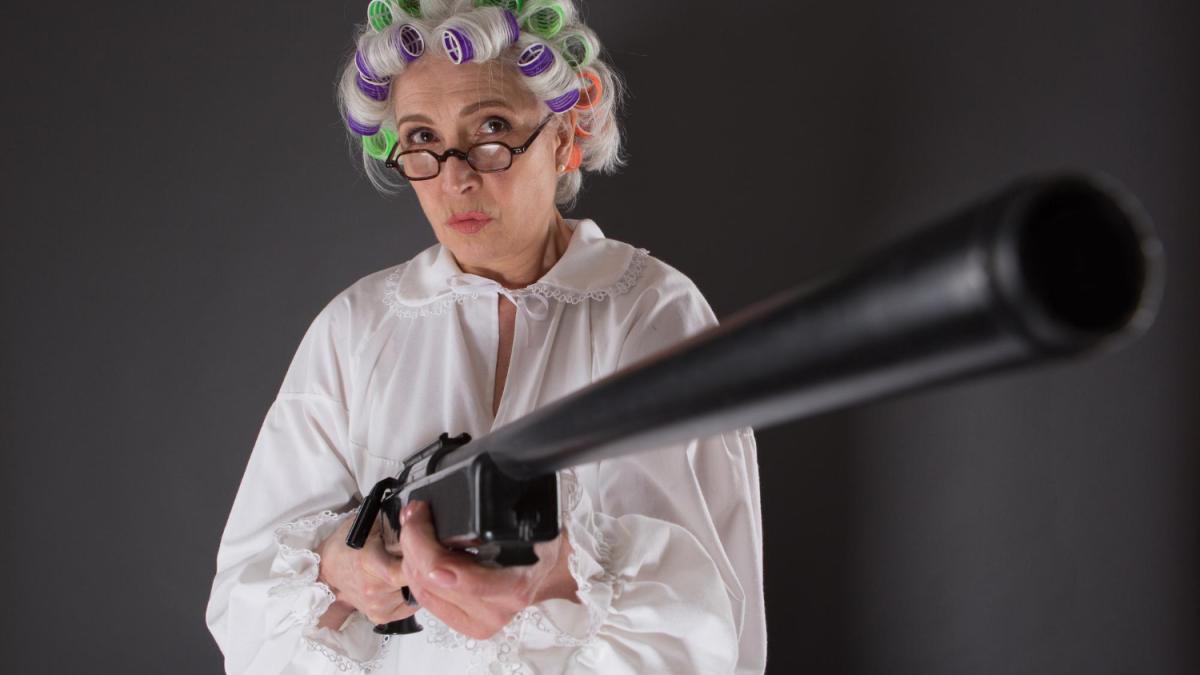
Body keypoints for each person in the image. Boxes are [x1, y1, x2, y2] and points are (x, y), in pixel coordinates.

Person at [205, 0, 766, 672]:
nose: (454, 176)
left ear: (563, 137)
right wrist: (339, 569)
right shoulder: (355, 329)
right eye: (420, 139)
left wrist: (558, 574)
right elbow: (242, 603)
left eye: (491, 129)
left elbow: (708, 618)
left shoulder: (652, 315)